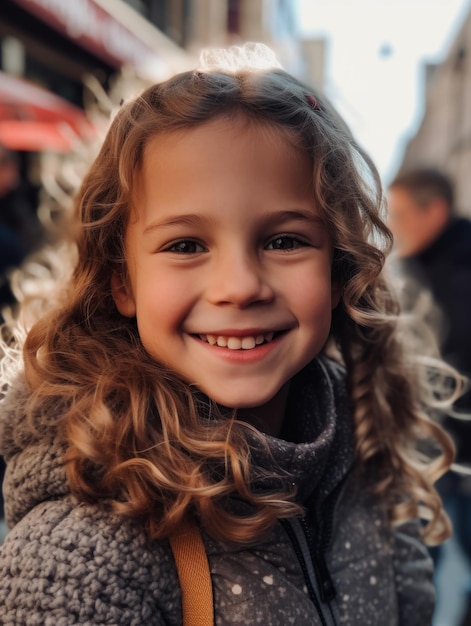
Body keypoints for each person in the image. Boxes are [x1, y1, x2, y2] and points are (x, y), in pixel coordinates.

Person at [0, 44, 454, 625]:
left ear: (340, 269)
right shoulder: (79, 558)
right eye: (186, 246)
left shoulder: (369, 466)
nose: (239, 287)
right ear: (123, 282)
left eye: (284, 241)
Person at [387, 167, 471, 625]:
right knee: (420, 553)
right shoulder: (414, 267)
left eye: (400, 214)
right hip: (430, 445)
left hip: (456, 448)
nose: (393, 226)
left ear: (433, 210)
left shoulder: (457, 271)